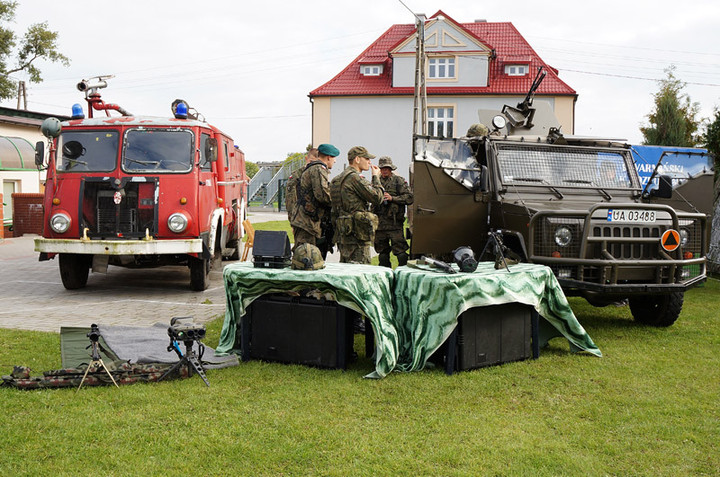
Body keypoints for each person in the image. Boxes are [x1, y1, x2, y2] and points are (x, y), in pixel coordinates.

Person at [330, 146, 384, 264]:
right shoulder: (355, 178)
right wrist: (376, 177)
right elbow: (377, 197)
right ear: (357, 159)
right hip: (357, 234)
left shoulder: (337, 179)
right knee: (360, 269)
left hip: (343, 233)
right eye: (367, 158)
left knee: (346, 269)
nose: (369, 162)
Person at [290, 143, 339, 259]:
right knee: (306, 259)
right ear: (328, 157)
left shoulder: (314, 168)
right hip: (307, 222)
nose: (335, 161)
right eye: (334, 158)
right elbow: (322, 195)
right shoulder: (318, 169)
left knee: (308, 258)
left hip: (308, 220)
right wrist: (338, 202)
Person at [372, 156, 413, 267]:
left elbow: (409, 198)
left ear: (391, 169)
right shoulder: (376, 181)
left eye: (387, 168)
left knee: (401, 253)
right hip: (380, 225)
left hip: (395, 225)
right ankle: (386, 277)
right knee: (383, 254)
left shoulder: (398, 181)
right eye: (382, 168)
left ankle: (403, 275)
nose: (384, 170)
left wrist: (392, 198)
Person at [285, 147, 318, 222]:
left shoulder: (318, 174)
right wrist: (292, 219)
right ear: (306, 158)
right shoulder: (297, 175)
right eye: (311, 161)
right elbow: (290, 199)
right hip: (300, 218)